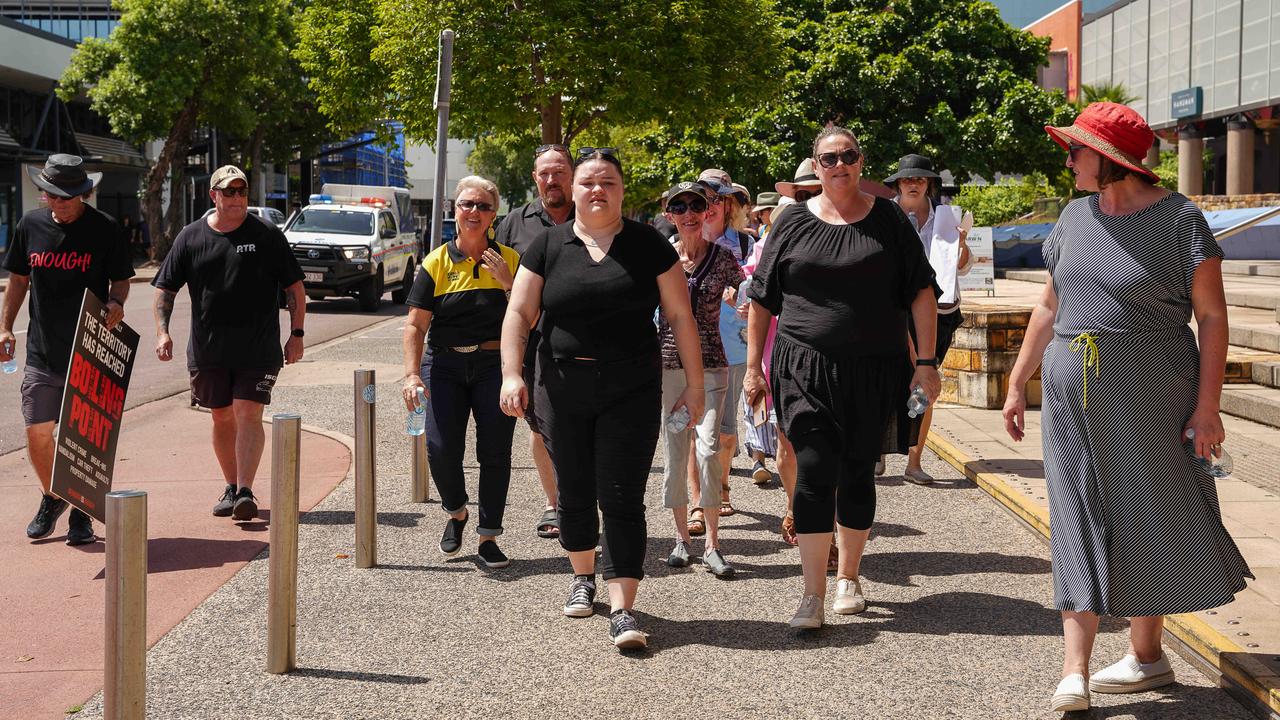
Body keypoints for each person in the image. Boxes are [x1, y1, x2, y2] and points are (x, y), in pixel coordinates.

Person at [1000, 102, 1252, 714]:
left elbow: (1213, 318)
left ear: (1110, 160)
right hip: (1071, 387)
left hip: (1155, 386)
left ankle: (1146, 656)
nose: (1069, 161)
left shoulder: (1182, 220)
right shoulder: (1072, 217)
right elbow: (1050, 305)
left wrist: (1209, 406)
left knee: (1149, 509)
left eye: (1077, 151)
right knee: (1075, 514)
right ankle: (1075, 669)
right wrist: (1016, 381)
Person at [499, 148, 704, 650]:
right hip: (561, 387)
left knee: (621, 493)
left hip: (630, 388)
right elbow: (519, 314)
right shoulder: (548, 246)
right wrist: (510, 374)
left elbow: (680, 317)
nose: (597, 190)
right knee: (573, 490)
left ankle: (623, 607)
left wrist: (695, 387)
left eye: (607, 182)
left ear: (621, 191)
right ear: (572, 190)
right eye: (588, 182)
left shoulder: (649, 245)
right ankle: (582, 575)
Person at [744, 127, 941, 629]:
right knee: (812, 471)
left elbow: (921, 292)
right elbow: (763, 299)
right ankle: (811, 594)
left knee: (856, 471)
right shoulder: (790, 223)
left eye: (848, 156)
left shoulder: (889, 220)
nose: (839, 165)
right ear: (815, 166)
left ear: (860, 161)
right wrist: (752, 370)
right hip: (803, 366)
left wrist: (926, 363)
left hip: (874, 369)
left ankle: (848, 577)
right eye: (828, 158)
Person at [153, 165, 305, 521]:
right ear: (214, 196)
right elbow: (166, 289)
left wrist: (296, 335)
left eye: (242, 191)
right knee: (222, 416)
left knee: (248, 412)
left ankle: (246, 491)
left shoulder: (267, 234)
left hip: (258, 349)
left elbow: (294, 288)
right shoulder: (190, 238)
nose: (237, 198)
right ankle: (231, 485)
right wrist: (162, 331)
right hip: (208, 350)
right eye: (229, 191)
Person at [1, 154, 133, 546]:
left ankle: (82, 515)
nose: (57, 202)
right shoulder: (31, 225)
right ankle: (52, 496)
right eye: (50, 194)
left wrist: (116, 302)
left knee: (85, 441)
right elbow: (19, 280)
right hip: (43, 351)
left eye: (66, 196)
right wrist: (5, 327)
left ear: (85, 193)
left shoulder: (104, 229)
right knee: (37, 432)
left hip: (90, 350)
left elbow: (122, 281)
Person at [403, 176, 518, 567]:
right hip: (445, 365)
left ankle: (488, 536)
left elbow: (529, 317)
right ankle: (456, 512)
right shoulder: (435, 262)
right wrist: (412, 374)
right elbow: (416, 326)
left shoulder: (511, 260)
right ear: (454, 210)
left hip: (494, 364)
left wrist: (507, 283)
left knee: (495, 452)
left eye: (483, 207)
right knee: (439, 447)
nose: (474, 212)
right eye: (468, 204)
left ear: (493, 215)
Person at [656, 181, 744, 577]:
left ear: (709, 210)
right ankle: (680, 540)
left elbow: (751, 294)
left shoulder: (723, 258)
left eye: (697, 205)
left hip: (711, 367)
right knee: (676, 452)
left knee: (708, 449)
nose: (689, 213)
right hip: (670, 367)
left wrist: (740, 306)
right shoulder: (660, 258)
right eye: (680, 206)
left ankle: (712, 543)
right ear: (668, 213)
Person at [493, 143, 574, 540]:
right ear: (534, 178)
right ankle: (554, 503)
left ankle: (581, 500)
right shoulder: (514, 223)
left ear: (572, 174)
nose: (551, 179)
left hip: (582, 338)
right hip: (534, 342)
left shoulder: (593, 216)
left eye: (558, 171)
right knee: (540, 426)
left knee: (583, 424)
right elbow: (496, 286)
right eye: (544, 173)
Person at [884, 154, 972, 484]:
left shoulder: (947, 218)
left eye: (919, 179)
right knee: (887, 380)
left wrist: (961, 245)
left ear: (928, 184)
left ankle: (914, 460)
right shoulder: (884, 215)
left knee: (925, 385)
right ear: (897, 184)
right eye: (907, 179)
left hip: (940, 312)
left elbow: (962, 266)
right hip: (893, 311)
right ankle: (880, 451)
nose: (913, 183)